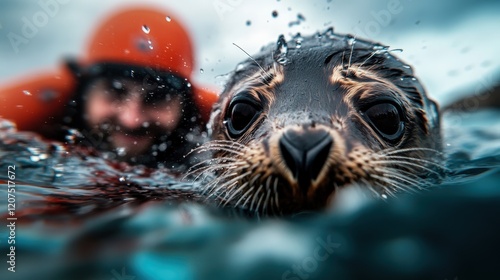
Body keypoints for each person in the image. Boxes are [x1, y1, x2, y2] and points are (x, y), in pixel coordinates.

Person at [0, 6, 218, 170]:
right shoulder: (33, 115)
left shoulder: (206, 128)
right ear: (83, 92)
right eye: (114, 92)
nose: (131, 119)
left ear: (186, 104)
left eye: (157, 98)